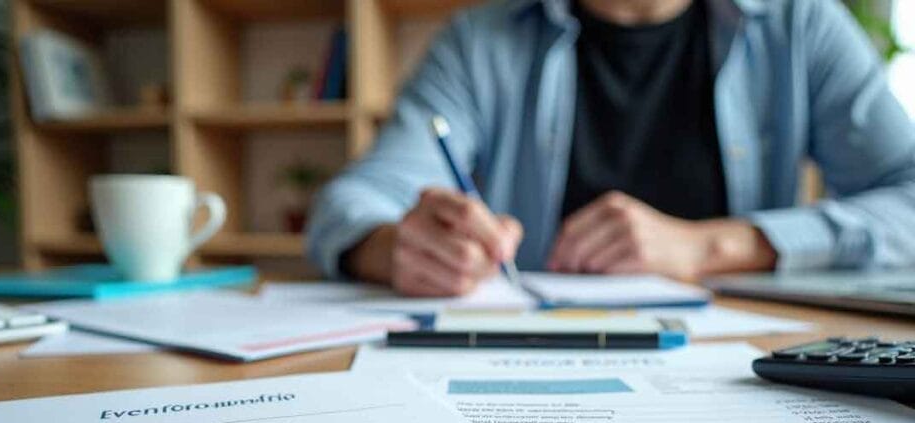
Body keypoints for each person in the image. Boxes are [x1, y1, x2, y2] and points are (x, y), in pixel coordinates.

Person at [306, 0, 915, 297]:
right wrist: (393, 247)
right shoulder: (482, 40)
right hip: (530, 367)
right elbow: (357, 198)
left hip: (745, 361)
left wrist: (715, 245)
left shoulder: (799, 25)